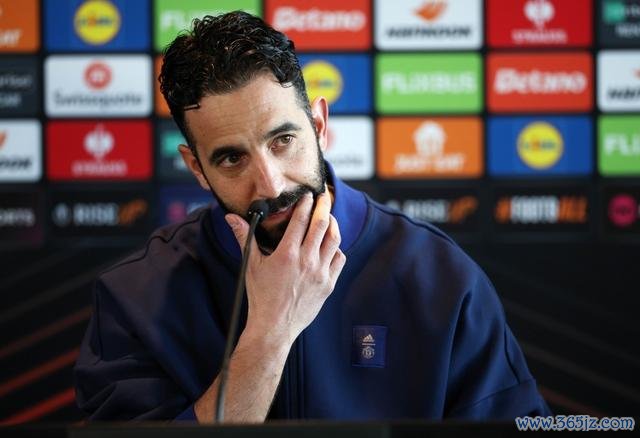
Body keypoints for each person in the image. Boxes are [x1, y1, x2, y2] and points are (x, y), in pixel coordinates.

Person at [74, 11, 550, 422]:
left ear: (319, 126)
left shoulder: (440, 276)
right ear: (197, 167)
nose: (271, 185)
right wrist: (269, 333)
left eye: (283, 141)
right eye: (232, 159)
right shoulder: (136, 297)